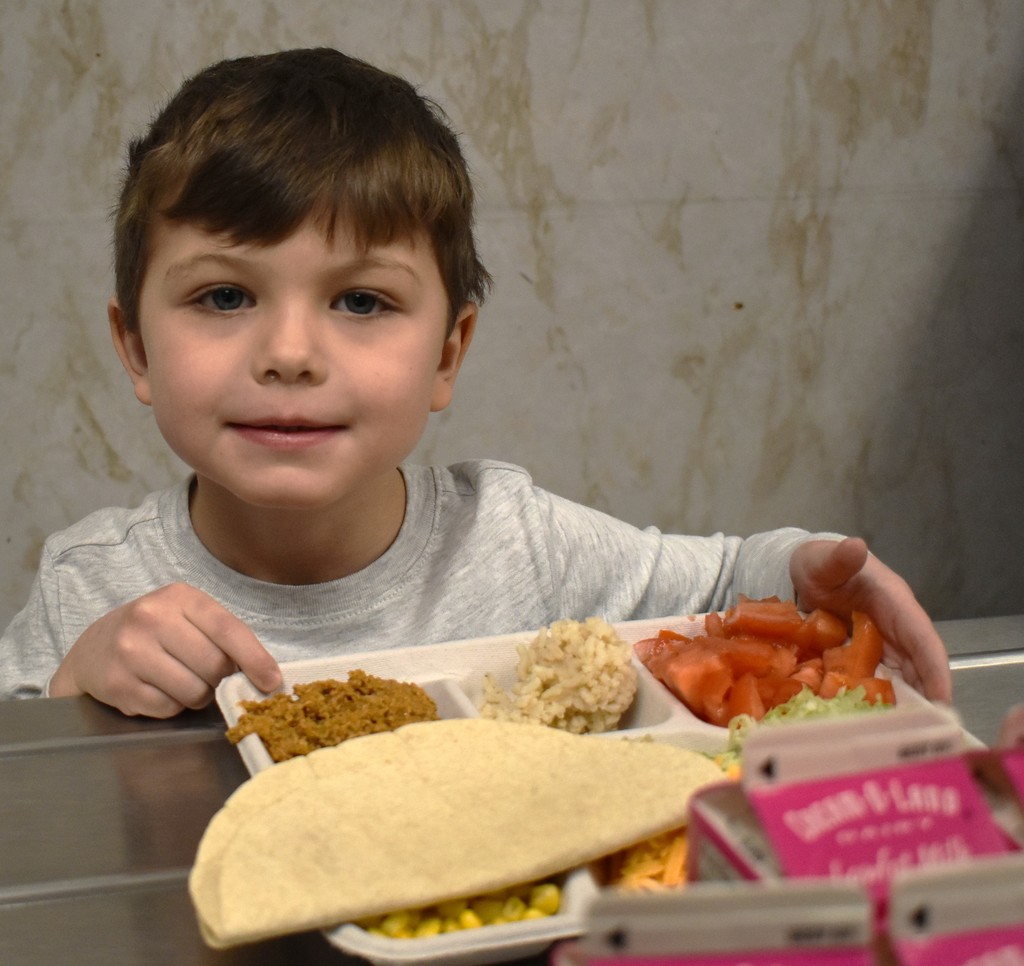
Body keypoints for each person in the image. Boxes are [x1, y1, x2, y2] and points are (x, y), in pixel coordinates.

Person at [0, 47, 951, 717]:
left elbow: (718, 582)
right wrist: (70, 697)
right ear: (134, 348)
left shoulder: (511, 542)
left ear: (448, 353)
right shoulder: (91, 583)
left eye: (362, 303)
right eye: (221, 296)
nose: (289, 352)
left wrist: (810, 566)